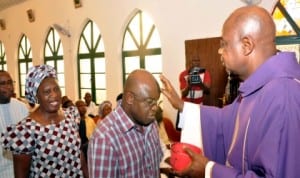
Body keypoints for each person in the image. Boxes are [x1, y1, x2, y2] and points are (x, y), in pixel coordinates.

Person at [160, 6, 300, 178]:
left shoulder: (282, 95)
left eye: (224, 44)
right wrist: (182, 106)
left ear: (246, 45)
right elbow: (224, 121)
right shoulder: (256, 90)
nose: (220, 51)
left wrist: (209, 170)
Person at [1, 65, 88, 178]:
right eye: (47, 92)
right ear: (36, 96)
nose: (54, 95)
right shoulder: (26, 130)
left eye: (56, 89)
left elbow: (79, 155)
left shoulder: (71, 115)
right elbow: (21, 175)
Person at [88, 69, 163, 177]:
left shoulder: (151, 122)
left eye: (156, 101)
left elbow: (155, 169)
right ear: (130, 98)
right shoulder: (104, 140)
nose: (155, 108)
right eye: (150, 102)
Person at [0, 70, 29, 178]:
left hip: (22, 169)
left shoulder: (21, 107)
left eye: (10, 82)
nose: (8, 86)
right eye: (2, 83)